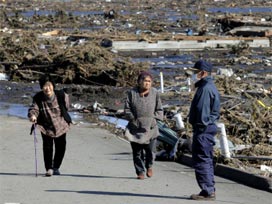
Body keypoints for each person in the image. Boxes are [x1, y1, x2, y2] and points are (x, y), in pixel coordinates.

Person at [188, 60, 220, 200]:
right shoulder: (206, 86)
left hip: (203, 129)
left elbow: (202, 111)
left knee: (202, 159)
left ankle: (207, 190)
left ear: (203, 73)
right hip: (206, 128)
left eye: (196, 72)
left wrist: (199, 126)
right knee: (205, 159)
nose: (194, 75)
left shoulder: (206, 89)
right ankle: (208, 188)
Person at [28, 74, 71, 177]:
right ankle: (49, 168)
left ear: (53, 85)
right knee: (47, 147)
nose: (47, 88)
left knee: (61, 147)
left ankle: (56, 167)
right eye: (44, 86)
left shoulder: (61, 95)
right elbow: (34, 108)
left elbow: (66, 107)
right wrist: (33, 116)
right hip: (45, 126)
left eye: (49, 85)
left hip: (60, 124)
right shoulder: (38, 98)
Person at [124, 71, 163, 179]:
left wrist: (154, 119)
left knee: (150, 151)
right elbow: (127, 109)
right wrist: (133, 120)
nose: (147, 83)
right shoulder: (132, 93)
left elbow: (159, 109)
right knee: (137, 152)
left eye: (149, 81)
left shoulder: (155, 93)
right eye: (145, 81)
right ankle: (140, 172)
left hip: (150, 127)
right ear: (139, 82)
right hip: (136, 127)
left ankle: (149, 165)